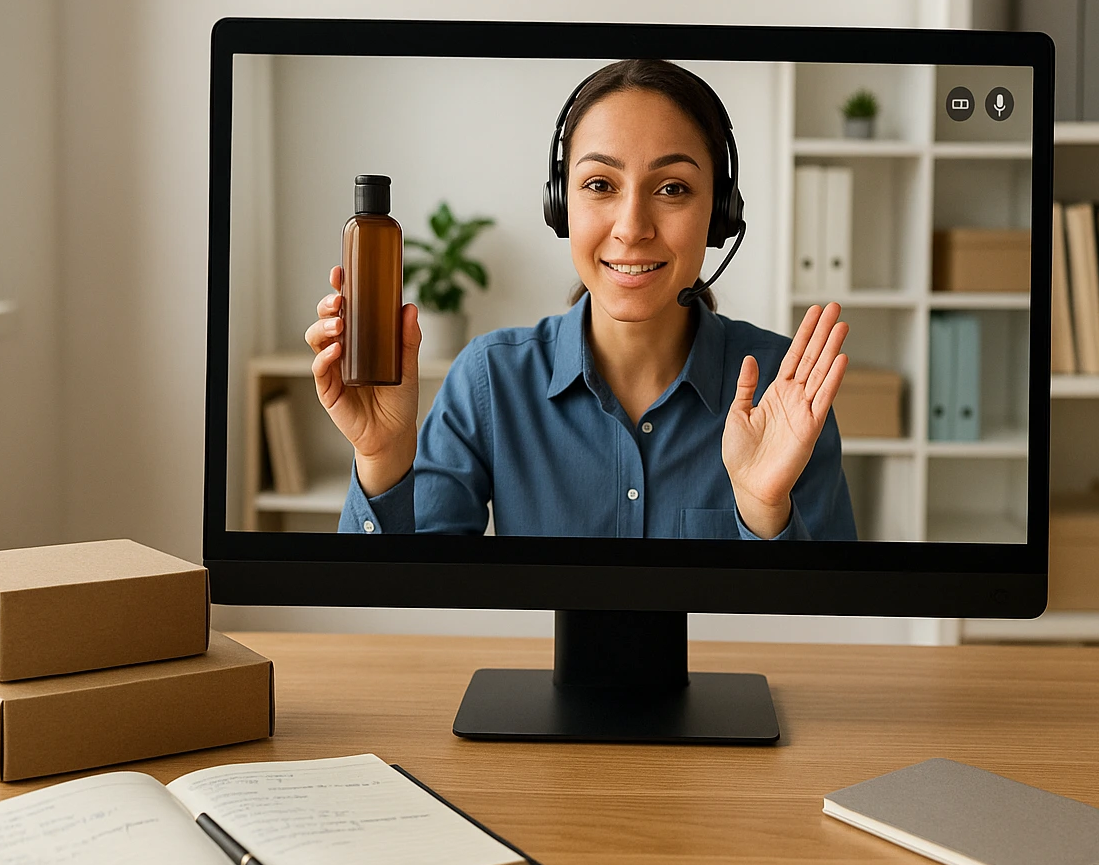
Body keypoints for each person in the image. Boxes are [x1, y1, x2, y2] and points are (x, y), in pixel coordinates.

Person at [305, 59, 856, 540]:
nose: (632, 227)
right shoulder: (489, 380)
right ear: (560, 205)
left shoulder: (788, 390)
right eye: (599, 185)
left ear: (719, 214)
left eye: (672, 188)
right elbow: (408, 602)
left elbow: (829, 629)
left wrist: (764, 513)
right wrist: (382, 456)